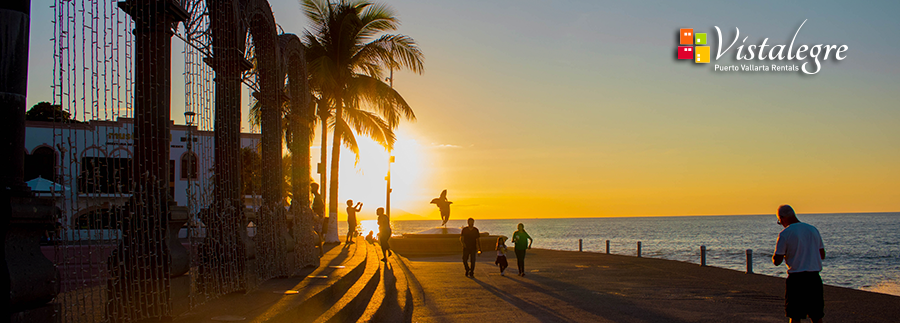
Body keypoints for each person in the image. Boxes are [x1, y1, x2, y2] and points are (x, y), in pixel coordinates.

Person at [772, 205, 826, 323]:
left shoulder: (785, 233)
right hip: (814, 278)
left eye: (779, 221)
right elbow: (822, 254)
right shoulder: (813, 229)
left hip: (796, 279)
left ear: (782, 218)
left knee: (795, 315)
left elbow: (777, 261)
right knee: (816, 316)